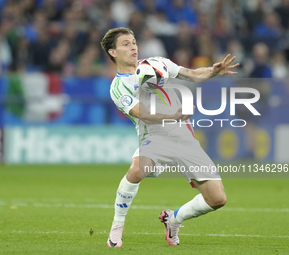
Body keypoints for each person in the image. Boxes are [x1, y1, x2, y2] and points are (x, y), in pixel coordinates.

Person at [100, 27, 239, 247]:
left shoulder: (157, 63)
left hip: (183, 136)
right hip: (154, 137)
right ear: (113, 52)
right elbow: (140, 113)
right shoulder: (118, 86)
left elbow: (191, 74)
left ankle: (173, 219)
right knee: (137, 170)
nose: (133, 46)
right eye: (126, 43)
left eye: (134, 41)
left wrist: (213, 71)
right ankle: (117, 226)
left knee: (217, 199)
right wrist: (172, 115)